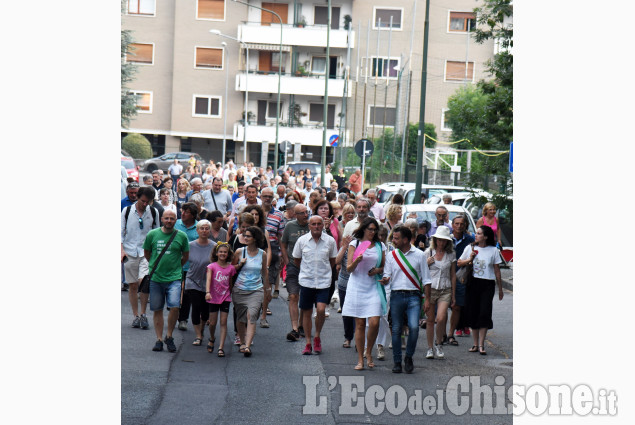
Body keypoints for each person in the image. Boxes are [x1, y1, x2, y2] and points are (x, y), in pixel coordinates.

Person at [381, 226, 432, 373]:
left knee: (414, 327)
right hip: (396, 295)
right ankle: (397, 361)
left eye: (396, 238)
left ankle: (408, 357)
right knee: (396, 329)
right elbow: (387, 274)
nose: (393, 241)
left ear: (405, 239)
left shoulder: (420, 255)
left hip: (414, 296)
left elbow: (427, 280)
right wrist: (384, 280)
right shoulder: (391, 255)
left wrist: (427, 299)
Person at [342, 217, 386, 370]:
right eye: (370, 229)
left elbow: (383, 267)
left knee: (374, 322)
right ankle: (361, 358)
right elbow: (349, 269)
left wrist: (377, 271)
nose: (373, 232)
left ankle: (369, 352)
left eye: (375, 230)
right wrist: (356, 261)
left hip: (373, 286)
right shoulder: (355, 244)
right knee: (360, 324)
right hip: (357, 286)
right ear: (364, 229)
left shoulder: (380, 246)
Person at [143, 210, 190, 352]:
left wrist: (176, 268)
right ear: (162, 219)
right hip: (156, 277)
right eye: (167, 218)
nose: (169, 220)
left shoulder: (181, 236)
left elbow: (185, 256)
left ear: (176, 220)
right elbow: (147, 253)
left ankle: (169, 335)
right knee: (157, 309)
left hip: (174, 278)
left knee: (175, 306)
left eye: (172, 218)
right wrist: (155, 266)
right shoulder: (152, 234)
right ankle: (159, 339)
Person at [293, 216, 338, 355]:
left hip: (324, 281)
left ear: (323, 226)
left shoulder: (330, 241)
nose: (317, 226)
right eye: (314, 224)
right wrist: (307, 271)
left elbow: (332, 260)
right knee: (306, 312)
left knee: (320, 309)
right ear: (309, 226)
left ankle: (317, 335)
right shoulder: (302, 241)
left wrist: (324, 271)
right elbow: (297, 260)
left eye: (319, 224)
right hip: (307, 280)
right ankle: (308, 342)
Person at [458, 225, 503, 355]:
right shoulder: (470, 248)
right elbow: (459, 263)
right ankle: (475, 344)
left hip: (487, 284)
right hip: (473, 282)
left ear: (486, 236)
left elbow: (497, 270)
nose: (475, 235)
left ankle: (482, 344)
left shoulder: (493, 250)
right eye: (476, 233)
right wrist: (470, 259)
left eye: (478, 233)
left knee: (484, 312)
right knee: (473, 312)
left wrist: (500, 288)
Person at [122, 186, 160, 329]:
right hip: (129, 251)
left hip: (147, 252)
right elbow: (120, 232)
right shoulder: (126, 212)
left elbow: (157, 231)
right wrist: (121, 251)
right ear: (137, 198)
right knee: (132, 285)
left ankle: (143, 314)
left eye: (148, 202)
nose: (145, 204)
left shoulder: (153, 211)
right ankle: (136, 315)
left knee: (144, 282)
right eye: (143, 201)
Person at [232, 226, 271, 357]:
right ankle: (242, 342)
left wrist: (268, 289)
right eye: (245, 235)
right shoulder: (239, 251)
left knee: (252, 316)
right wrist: (239, 264)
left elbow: (264, 272)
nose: (245, 238)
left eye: (248, 236)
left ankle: (248, 345)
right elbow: (231, 269)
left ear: (255, 238)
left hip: (256, 289)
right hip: (239, 289)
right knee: (241, 318)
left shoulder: (262, 254)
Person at [423, 226, 456, 360]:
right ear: (435, 240)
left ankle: (439, 344)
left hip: (445, 288)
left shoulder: (451, 254)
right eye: (439, 240)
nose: (441, 243)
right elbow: (421, 272)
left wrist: (453, 295)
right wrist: (426, 263)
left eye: (444, 240)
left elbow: (453, 274)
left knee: (441, 318)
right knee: (430, 320)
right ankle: (430, 348)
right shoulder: (428, 252)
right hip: (431, 289)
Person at [280, 204, 310, 341]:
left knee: (305, 297)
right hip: (293, 266)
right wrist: (286, 261)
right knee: (293, 296)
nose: (305, 215)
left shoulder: (313, 225)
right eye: (302, 213)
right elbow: (283, 244)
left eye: (307, 212)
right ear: (295, 215)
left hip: (309, 267)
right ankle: (295, 328)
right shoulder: (290, 226)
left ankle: (302, 324)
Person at [183, 219, 215, 347]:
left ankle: (201, 330)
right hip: (192, 280)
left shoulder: (214, 246)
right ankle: (198, 335)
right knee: (195, 306)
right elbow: (182, 260)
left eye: (207, 228)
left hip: (208, 282)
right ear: (197, 230)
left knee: (205, 310)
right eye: (201, 228)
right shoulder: (190, 245)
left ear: (210, 231)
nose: (204, 231)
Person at [205, 242, 237, 357]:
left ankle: (221, 347)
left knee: (223, 322)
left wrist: (230, 294)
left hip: (225, 297)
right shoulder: (212, 266)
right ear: (217, 253)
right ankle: (212, 337)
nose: (223, 254)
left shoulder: (231, 268)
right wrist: (208, 292)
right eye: (221, 252)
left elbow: (230, 283)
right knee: (213, 323)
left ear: (228, 254)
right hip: (213, 297)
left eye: (225, 252)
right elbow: (208, 280)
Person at [448, 214, 474, 343]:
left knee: (457, 306)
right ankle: (442, 334)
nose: (459, 226)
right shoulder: (447, 239)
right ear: (452, 225)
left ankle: (451, 333)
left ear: (465, 225)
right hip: (445, 276)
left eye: (461, 224)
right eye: (456, 223)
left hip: (460, 276)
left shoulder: (470, 240)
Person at [261, 187, 285, 300]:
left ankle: (265, 305)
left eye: (270, 196)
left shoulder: (279, 214)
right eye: (265, 196)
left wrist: (281, 255)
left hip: (273, 250)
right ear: (261, 197)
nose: (267, 198)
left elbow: (281, 236)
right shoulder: (255, 211)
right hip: (256, 249)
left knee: (269, 279)